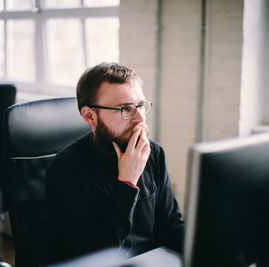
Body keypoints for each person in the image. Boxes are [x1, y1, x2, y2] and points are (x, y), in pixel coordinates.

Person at [45, 62, 185, 263]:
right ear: (90, 116)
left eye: (140, 106)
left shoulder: (153, 153)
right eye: (125, 109)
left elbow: (170, 225)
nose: (139, 117)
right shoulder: (65, 171)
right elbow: (96, 259)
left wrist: (210, 242)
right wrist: (127, 183)